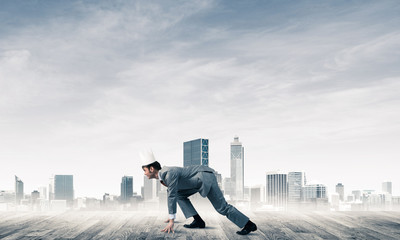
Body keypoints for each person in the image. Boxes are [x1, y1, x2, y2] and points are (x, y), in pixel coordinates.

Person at [140, 150, 257, 235]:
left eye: (145, 170)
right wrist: (171, 217)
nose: (144, 173)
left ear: (151, 169)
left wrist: (171, 220)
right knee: (180, 195)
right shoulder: (164, 176)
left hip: (205, 177)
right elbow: (173, 193)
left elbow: (171, 195)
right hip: (195, 182)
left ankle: (249, 225)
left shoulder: (168, 173)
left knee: (222, 208)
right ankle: (198, 221)